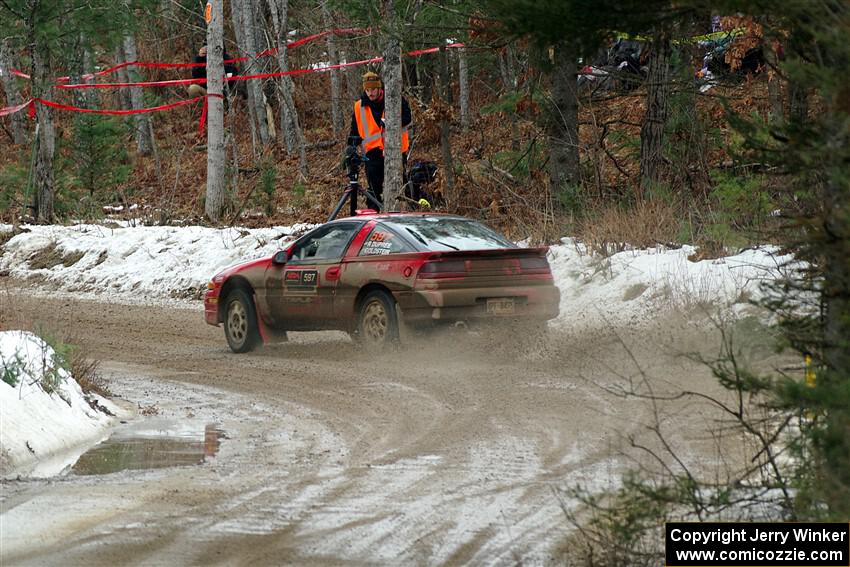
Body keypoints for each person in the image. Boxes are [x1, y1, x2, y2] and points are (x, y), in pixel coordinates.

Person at [347, 71, 412, 206]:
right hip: (372, 154)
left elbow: (407, 118)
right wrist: (351, 148)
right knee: (373, 191)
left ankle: (407, 214)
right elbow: (355, 130)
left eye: (373, 89)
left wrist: (390, 121)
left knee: (401, 188)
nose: (370, 93)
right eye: (367, 90)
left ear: (380, 88)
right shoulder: (359, 106)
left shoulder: (394, 99)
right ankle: (373, 220)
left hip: (395, 151)